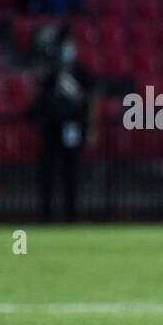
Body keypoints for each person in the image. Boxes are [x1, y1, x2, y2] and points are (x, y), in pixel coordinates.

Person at [30, 28, 94, 222]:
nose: (69, 48)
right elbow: (38, 93)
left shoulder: (81, 72)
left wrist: (90, 128)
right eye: (66, 44)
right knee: (47, 170)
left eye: (71, 44)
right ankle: (46, 215)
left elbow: (89, 100)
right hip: (51, 126)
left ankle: (70, 214)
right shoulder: (51, 71)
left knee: (71, 170)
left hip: (71, 126)